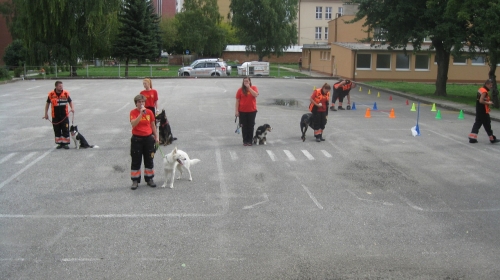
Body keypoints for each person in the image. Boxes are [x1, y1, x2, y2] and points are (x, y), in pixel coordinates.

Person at [130, 94, 160, 190]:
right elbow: (133, 124)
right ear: (136, 103)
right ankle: (135, 180)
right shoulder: (133, 112)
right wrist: (140, 114)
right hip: (137, 139)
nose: (141, 104)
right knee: (136, 160)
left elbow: (153, 125)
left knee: (149, 159)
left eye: (143, 102)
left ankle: (149, 179)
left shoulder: (150, 112)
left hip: (148, 139)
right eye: (139, 102)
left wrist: (156, 137)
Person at [43, 81, 74, 149]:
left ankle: (65, 144)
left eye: (62, 86)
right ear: (56, 86)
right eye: (60, 86)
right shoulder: (51, 94)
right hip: (55, 116)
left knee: (65, 129)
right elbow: (47, 104)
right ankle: (59, 143)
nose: (61, 87)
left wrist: (72, 108)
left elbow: (70, 101)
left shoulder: (65, 93)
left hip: (64, 115)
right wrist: (46, 114)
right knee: (57, 129)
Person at [468, 79, 499, 144]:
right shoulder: (484, 92)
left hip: (479, 109)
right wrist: (489, 103)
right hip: (483, 110)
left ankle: (472, 138)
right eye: (490, 85)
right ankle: (492, 139)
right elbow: (481, 101)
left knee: (478, 123)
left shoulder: (481, 89)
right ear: (487, 84)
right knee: (487, 124)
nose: (491, 86)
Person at [235, 77, 259, 146]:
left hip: (252, 110)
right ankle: (245, 140)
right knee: (244, 126)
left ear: (250, 81)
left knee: (250, 126)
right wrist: (236, 111)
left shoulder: (254, 88)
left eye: (247, 81)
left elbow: (255, 95)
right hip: (242, 111)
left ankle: (250, 140)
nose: (246, 82)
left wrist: (249, 88)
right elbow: (237, 101)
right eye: (244, 81)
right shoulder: (240, 90)